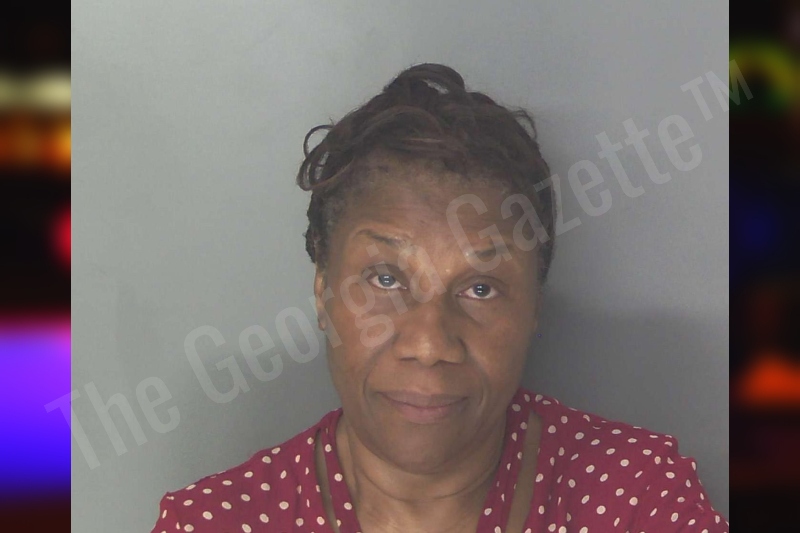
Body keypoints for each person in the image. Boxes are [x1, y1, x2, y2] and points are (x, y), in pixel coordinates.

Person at [150, 63, 728, 532]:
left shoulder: (635, 499)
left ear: (534, 307)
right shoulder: (212, 524)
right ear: (324, 291)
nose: (428, 344)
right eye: (384, 279)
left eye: (480, 288)